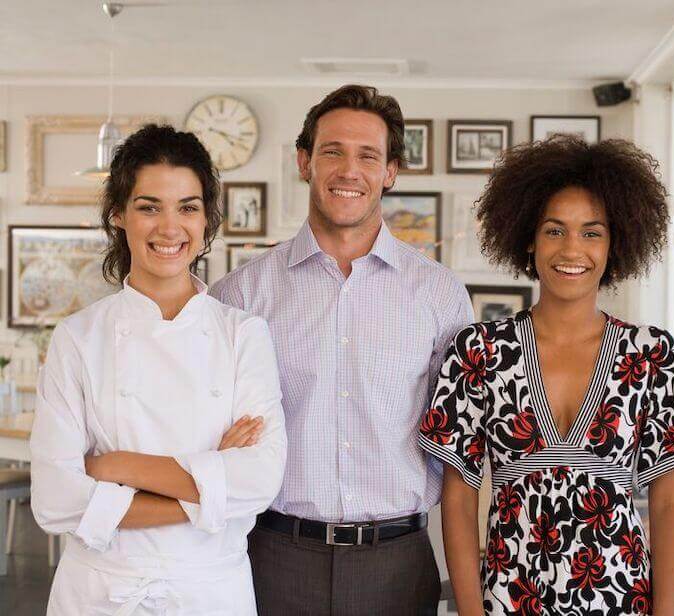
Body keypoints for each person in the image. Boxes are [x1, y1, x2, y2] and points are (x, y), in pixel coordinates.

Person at [419, 136, 674, 615]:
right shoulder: (479, 352)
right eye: (554, 230)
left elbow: (668, 503)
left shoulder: (652, 356)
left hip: (622, 600)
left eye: (591, 233)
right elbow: (458, 499)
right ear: (529, 238)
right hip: (509, 600)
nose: (572, 249)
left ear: (616, 243)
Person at [211, 84, 473, 615]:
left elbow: (459, 451)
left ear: (390, 171)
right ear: (304, 161)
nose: (349, 170)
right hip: (273, 556)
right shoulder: (241, 295)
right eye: (332, 151)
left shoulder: (440, 295)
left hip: (397, 563)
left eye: (368, 156)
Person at [31, 124, 286, 615]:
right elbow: (55, 500)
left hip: (210, 592)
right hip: (102, 592)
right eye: (150, 207)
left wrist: (116, 467)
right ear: (118, 215)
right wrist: (210, 492)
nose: (170, 228)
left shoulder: (243, 334)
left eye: (187, 208)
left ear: (207, 219)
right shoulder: (78, 338)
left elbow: (259, 480)